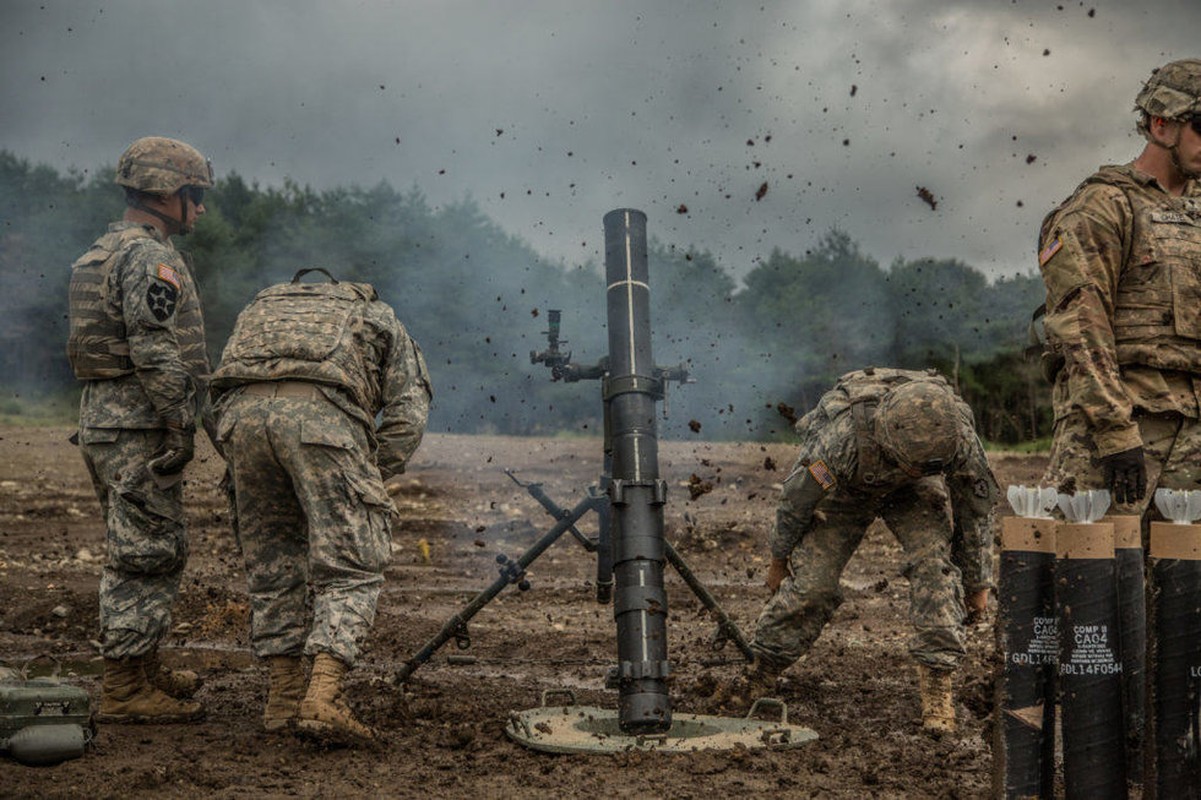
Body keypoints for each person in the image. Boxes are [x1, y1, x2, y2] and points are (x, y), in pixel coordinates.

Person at [210, 267, 432, 745]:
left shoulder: (259, 311)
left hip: (240, 425)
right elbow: (408, 411)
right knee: (352, 568)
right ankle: (323, 695)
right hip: (323, 424)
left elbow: (216, 392)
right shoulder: (375, 314)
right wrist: (368, 475)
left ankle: (283, 697)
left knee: (272, 564)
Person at [742, 367, 997, 734]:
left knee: (935, 569)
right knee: (812, 585)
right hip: (850, 487)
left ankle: (938, 686)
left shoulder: (957, 438)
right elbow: (798, 500)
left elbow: (976, 511)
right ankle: (761, 671)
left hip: (914, 491)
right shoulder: (840, 441)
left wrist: (977, 582)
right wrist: (778, 560)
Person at [67, 136, 214, 723]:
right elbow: (153, 345)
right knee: (147, 551)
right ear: (163, 193)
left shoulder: (102, 250)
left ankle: (143, 667)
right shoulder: (149, 258)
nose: (200, 207)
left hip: (105, 416)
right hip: (137, 421)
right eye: (193, 194)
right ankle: (127, 688)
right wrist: (180, 420)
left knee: (138, 543)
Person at [1037, 58, 1201, 513]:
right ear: (1161, 125)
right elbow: (1081, 328)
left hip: (1194, 436)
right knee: (1091, 573)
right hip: (1119, 427)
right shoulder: (1102, 207)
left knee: (1183, 579)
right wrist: (1114, 430)